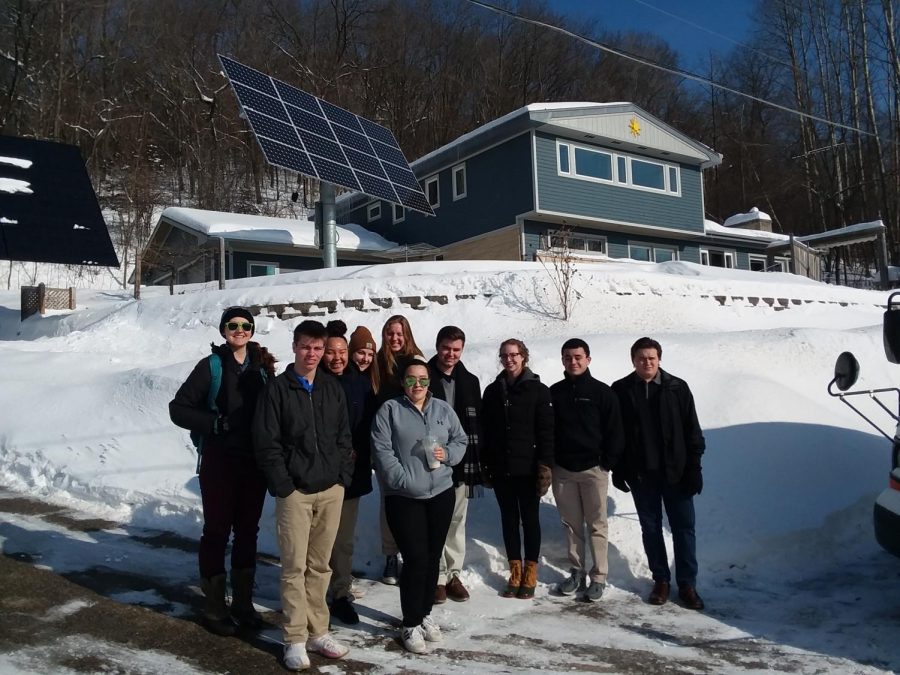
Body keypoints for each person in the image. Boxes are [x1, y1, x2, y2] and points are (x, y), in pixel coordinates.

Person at [253, 320, 354, 670]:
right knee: (294, 566)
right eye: (306, 347)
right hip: (295, 492)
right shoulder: (278, 390)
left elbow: (344, 437)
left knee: (320, 566)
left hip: (330, 490)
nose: (312, 354)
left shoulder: (331, 388)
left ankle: (318, 631)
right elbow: (267, 443)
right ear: (294, 347)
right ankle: (294, 637)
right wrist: (284, 484)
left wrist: (342, 477)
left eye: (318, 348)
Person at [169, 307, 276, 636]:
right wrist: (214, 424)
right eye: (233, 325)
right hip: (219, 462)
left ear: (252, 331)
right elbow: (178, 408)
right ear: (223, 330)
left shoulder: (261, 369)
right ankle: (214, 607)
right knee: (216, 531)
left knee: (248, 532)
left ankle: (243, 604)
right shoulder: (211, 366)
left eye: (245, 326)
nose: (239, 330)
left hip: (253, 464)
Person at [371, 356, 467, 654]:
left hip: (440, 494)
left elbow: (461, 440)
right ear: (403, 382)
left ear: (430, 382)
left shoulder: (442, 410)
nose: (417, 385)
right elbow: (381, 448)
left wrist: (448, 453)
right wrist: (401, 479)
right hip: (404, 498)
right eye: (411, 379)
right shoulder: (390, 410)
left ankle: (425, 613)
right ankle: (410, 623)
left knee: (432, 556)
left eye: (423, 380)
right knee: (414, 559)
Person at [611, 337, 706, 610]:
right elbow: (616, 434)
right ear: (633, 361)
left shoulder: (677, 388)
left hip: (676, 474)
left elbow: (692, 432)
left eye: (652, 358)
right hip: (643, 476)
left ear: (659, 359)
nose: (647, 362)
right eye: (641, 358)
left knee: (684, 530)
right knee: (651, 530)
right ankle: (661, 580)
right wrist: (620, 469)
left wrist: (694, 468)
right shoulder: (622, 390)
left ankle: (687, 584)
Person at [549, 338, 624, 602]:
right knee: (571, 525)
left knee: (596, 524)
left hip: (594, 470)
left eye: (578, 357)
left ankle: (599, 577)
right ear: (562, 360)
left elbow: (615, 430)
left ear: (588, 359)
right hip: (564, 471)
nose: (573, 361)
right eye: (568, 357)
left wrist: (607, 462)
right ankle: (576, 572)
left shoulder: (602, 392)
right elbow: (548, 430)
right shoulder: (554, 393)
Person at [481, 339, 554, 600]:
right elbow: (485, 431)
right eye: (505, 355)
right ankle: (515, 569)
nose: (509, 359)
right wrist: (485, 464)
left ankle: (530, 570)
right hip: (502, 469)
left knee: (530, 520)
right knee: (509, 520)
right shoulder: (492, 391)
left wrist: (545, 466)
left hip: (528, 469)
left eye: (514, 355)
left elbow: (546, 432)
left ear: (524, 357)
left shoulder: (539, 390)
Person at [321, 320, 377, 625]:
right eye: (332, 352)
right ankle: (315, 593)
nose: (338, 357)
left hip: (351, 475)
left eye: (342, 352)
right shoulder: (314, 380)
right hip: (318, 474)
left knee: (343, 539)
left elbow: (368, 427)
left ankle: (340, 593)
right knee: (319, 538)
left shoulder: (361, 383)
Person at [427, 325, 483, 603]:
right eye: (446, 348)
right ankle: (437, 576)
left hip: (460, 463)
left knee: (457, 521)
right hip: (431, 463)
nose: (451, 354)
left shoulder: (470, 381)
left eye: (456, 349)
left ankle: (453, 574)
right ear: (438, 347)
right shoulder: (422, 377)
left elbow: (478, 424)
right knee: (435, 522)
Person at [375, 315, 424, 585]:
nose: (395, 338)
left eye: (400, 333)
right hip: (386, 444)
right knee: (389, 503)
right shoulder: (379, 363)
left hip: (413, 445)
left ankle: (410, 553)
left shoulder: (416, 363)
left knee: (413, 503)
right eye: (391, 333)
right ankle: (390, 555)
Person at [349, 324, 380, 394]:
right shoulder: (344, 378)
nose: (366, 359)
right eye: (361, 353)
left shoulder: (373, 380)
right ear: (351, 353)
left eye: (370, 355)